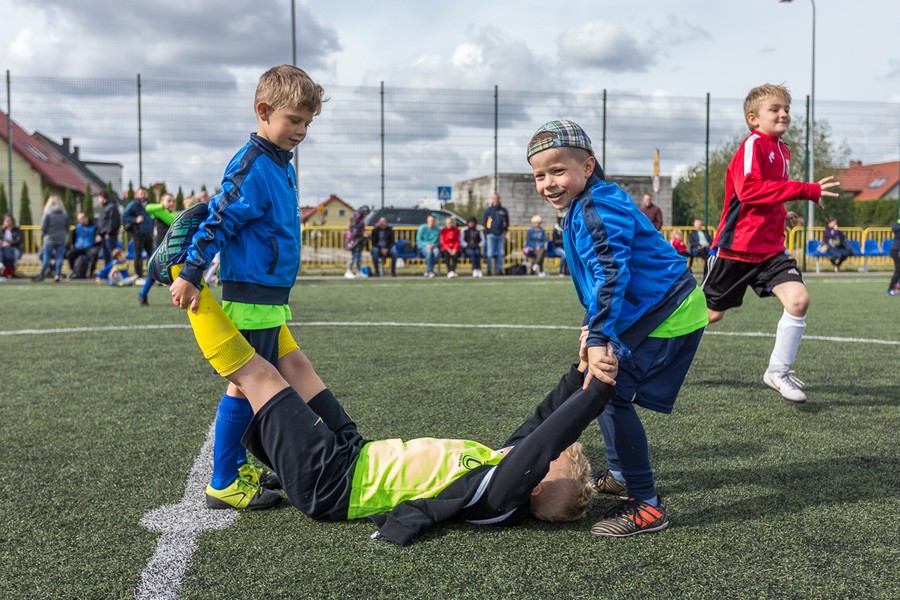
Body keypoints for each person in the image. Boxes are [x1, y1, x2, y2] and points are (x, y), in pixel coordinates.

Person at [150, 236, 617, 543]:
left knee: (258, 376)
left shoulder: (499, 496)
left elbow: (544, 438)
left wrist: (599, 389)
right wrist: (578, 373)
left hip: (331, 484)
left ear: (536, 478)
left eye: (554, 456)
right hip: (354, 456)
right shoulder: (499, 467)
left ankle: (178, 275)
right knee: (295, 366)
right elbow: (538, 424)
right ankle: (248, 307)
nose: (547, 448)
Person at [527, 119, 708, 537]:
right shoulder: (583, 205)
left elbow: (611, 274)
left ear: (587, 166)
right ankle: (622, 474)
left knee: (609, 389)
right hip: (650, 308)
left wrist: (600, 337)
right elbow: (599, 278)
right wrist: (592, 328)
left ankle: (646, 505)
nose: (549, 183)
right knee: (604, 386)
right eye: (540, 175)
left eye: (558, 171)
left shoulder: (597, 206)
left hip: (667, 311)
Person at [164, 64, 329, 510]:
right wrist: (191, 272)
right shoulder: (254, 163)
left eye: (307, 123)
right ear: (263, 111)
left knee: (259, 382)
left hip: (269, 296)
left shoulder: (278, 163)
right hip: (250, 296)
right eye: (294, 120)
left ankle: (237, 464)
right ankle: (223, 481)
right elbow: (218, 217)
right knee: (245, 386)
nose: (301, 131)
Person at [702, 83, 840, 403]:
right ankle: (645, 348)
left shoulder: (782, 150)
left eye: (786, 109)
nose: (783, 114)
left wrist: (782, 213)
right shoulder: (754, 145)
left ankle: (777, 371)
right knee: (710, 315)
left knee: (798, 300)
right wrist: (805, 190)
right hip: (736, 249)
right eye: (774, 109)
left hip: (770, 251)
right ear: (753, 118)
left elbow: (766, 193)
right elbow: (749, 190)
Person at [138, 193, 177, 305]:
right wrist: (161, 206)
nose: (171, 203)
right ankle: (142, 294)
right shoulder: (159, 212)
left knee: (172, 272)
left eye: (173, 201)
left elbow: (174, 220)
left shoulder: (173, 214)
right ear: (161, 202)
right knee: (154, 273)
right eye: (168, 201)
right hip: (160, 248)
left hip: (171, 248)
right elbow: (148, 207)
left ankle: (177, 297)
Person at [33, 195, 70, 282]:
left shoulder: (48, 213)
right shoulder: (65, 213)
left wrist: (44, 234)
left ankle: (42, 274)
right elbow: (67, 226)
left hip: (49, 238)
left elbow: (43, 227)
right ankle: (58, 274)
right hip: (61, 238)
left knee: (46, 258)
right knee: (59, 257)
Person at [122, 187, 154, 278]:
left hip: (148, 233)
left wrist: (153, 226)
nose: (143, 195)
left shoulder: (150, 205)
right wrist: (135, 219)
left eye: (144, 193)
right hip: (138, 233)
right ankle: (138, 275)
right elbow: (124, 216)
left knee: (151, 255)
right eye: (141, 193)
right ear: (137, 194)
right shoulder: (133, 204)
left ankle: (151, 275)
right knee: (138, 255)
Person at [65, 211, 99, 278]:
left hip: (89, 247)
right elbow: (73, 239)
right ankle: (74, 271)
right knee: (69, 254)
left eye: (81, 218)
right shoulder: (77, 228)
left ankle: (92, 271)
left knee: (94, 253)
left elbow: (97, 239)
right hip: (78, 247)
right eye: (78, 219)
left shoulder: (94, 227)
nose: (80, 221)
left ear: (86, 218)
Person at [482, 192, 509, 276]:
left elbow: (507, 222)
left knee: (500, 253)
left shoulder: (503, 210)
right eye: (494, 198)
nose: (496, 200)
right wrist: (488, 232)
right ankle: (489, 270)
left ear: (499, 199)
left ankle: (499, 270)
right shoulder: (488, 210)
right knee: (490, 253)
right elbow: (484, 222)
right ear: (492, 199)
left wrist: (504, 231)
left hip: (500, 234)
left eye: (497, 198)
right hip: (491, 235)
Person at [96, 190, 120, 267]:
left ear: (103, 197)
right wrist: (99, 233)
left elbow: (114, 221)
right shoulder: (104, 207)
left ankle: (113, 271)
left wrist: (109, 233)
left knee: (112, 255)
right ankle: (108, 272)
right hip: (104, 236)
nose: (98, 200)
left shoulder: (111, 207)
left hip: (109, 236)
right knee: (106, 256)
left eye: (99, 198)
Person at [344, 206, 369, 279]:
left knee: (359, 256)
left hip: (359, 240)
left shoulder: (360, 219)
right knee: (354, 256)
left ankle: (358, 271)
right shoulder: (356, 218)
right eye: (365, 213)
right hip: (353, 240)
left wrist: (364, 234)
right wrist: (363, 235)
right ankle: (348, 271)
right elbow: (354, 231)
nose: (366, 215)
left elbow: (361, 229)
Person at [416, 213, 441, 278]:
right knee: (429, 252)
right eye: (430, 221)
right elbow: (418, 240)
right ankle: (430, 271)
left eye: (433, 221)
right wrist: (426, 244)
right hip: (423, 247)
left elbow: (438, 241)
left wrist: (433, 245)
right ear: (427, 221)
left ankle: (428, 270)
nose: (431, 222)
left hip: (434, 246)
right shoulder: (422, 228)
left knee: (437, 253)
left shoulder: (437, 229)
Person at [0, 214, 24, 278]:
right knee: (1, 250)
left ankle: (6, 269)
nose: (7, 222)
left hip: (14, 249)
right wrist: (2, 243)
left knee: (6, 254)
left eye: (9, 220)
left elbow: (18, 240)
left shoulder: (17, 230)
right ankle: (2, 265)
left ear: (12, 221)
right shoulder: (1, 231)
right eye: (6, 221)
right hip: (3, 250)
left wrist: (9, 243)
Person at [887, 217, 900, 296]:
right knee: (898, 271)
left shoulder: (896, 226)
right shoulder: (898, 227)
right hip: (897, 250)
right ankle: (891, 289)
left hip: (895, 249)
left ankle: (896, 287)